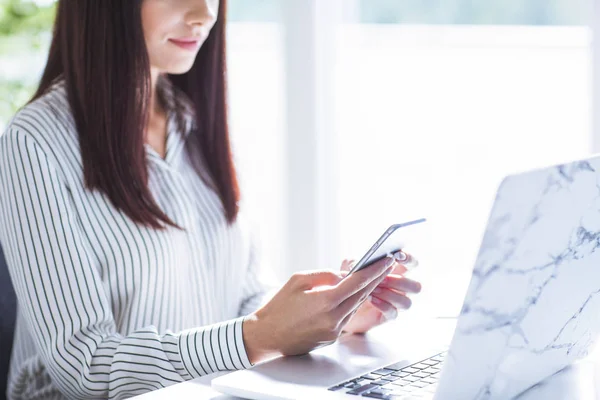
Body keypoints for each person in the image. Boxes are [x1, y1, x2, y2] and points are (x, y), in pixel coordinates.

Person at [0, 0, 423, 399]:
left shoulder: (196, 121)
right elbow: (83, 367)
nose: (204, 14)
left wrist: (335, 315)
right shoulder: (35, 143)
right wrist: (257, 336)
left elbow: (244, 300)